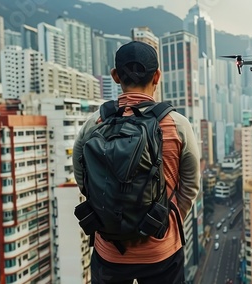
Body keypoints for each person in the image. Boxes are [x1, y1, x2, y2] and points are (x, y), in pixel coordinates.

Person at [73, 41, 201, 284]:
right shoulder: (177, 124)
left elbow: (83, 178)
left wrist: (107, 205)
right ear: (158, 76)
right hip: (161, 251)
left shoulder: (94, 123)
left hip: (109, 251)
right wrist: (166, 219)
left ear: (115, 76)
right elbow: (191, 186)